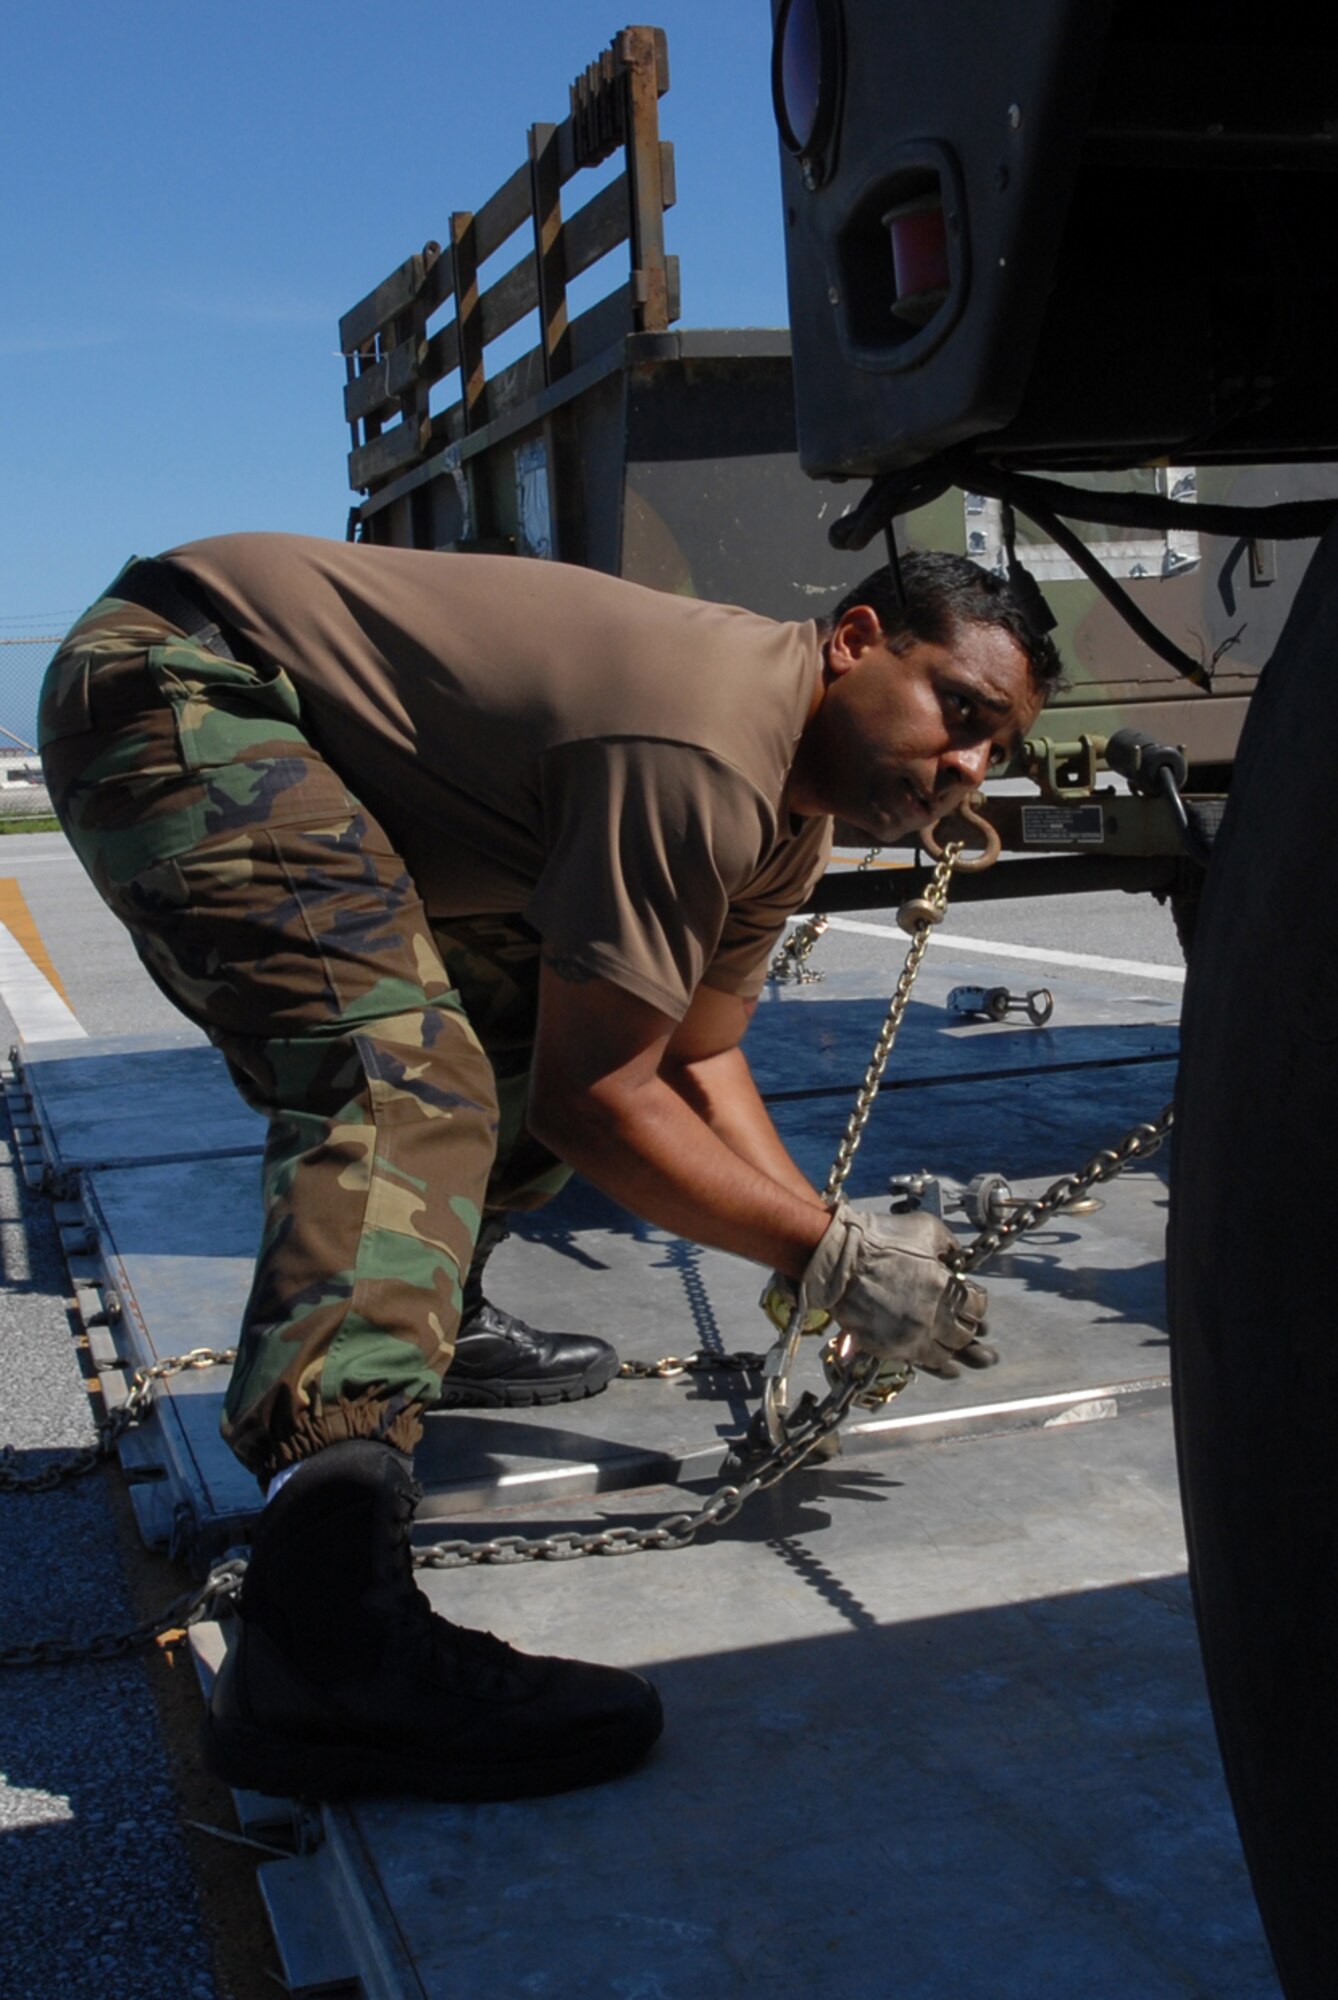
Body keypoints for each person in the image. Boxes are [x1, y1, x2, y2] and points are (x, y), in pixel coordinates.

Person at [39, 536, 1058, 1804]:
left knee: (521, 1014)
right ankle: (324, 1641)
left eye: (994, 748)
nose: (965, 766)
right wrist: (823, 1256)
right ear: (854, 642)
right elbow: (598, 1108)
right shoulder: (701, 750)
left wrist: (828, 1248)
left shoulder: (786, 823)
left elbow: (695, 1055)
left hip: (272, 705)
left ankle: (427, 1312)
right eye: (958, 711)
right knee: (402, 1076)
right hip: (177, 676)